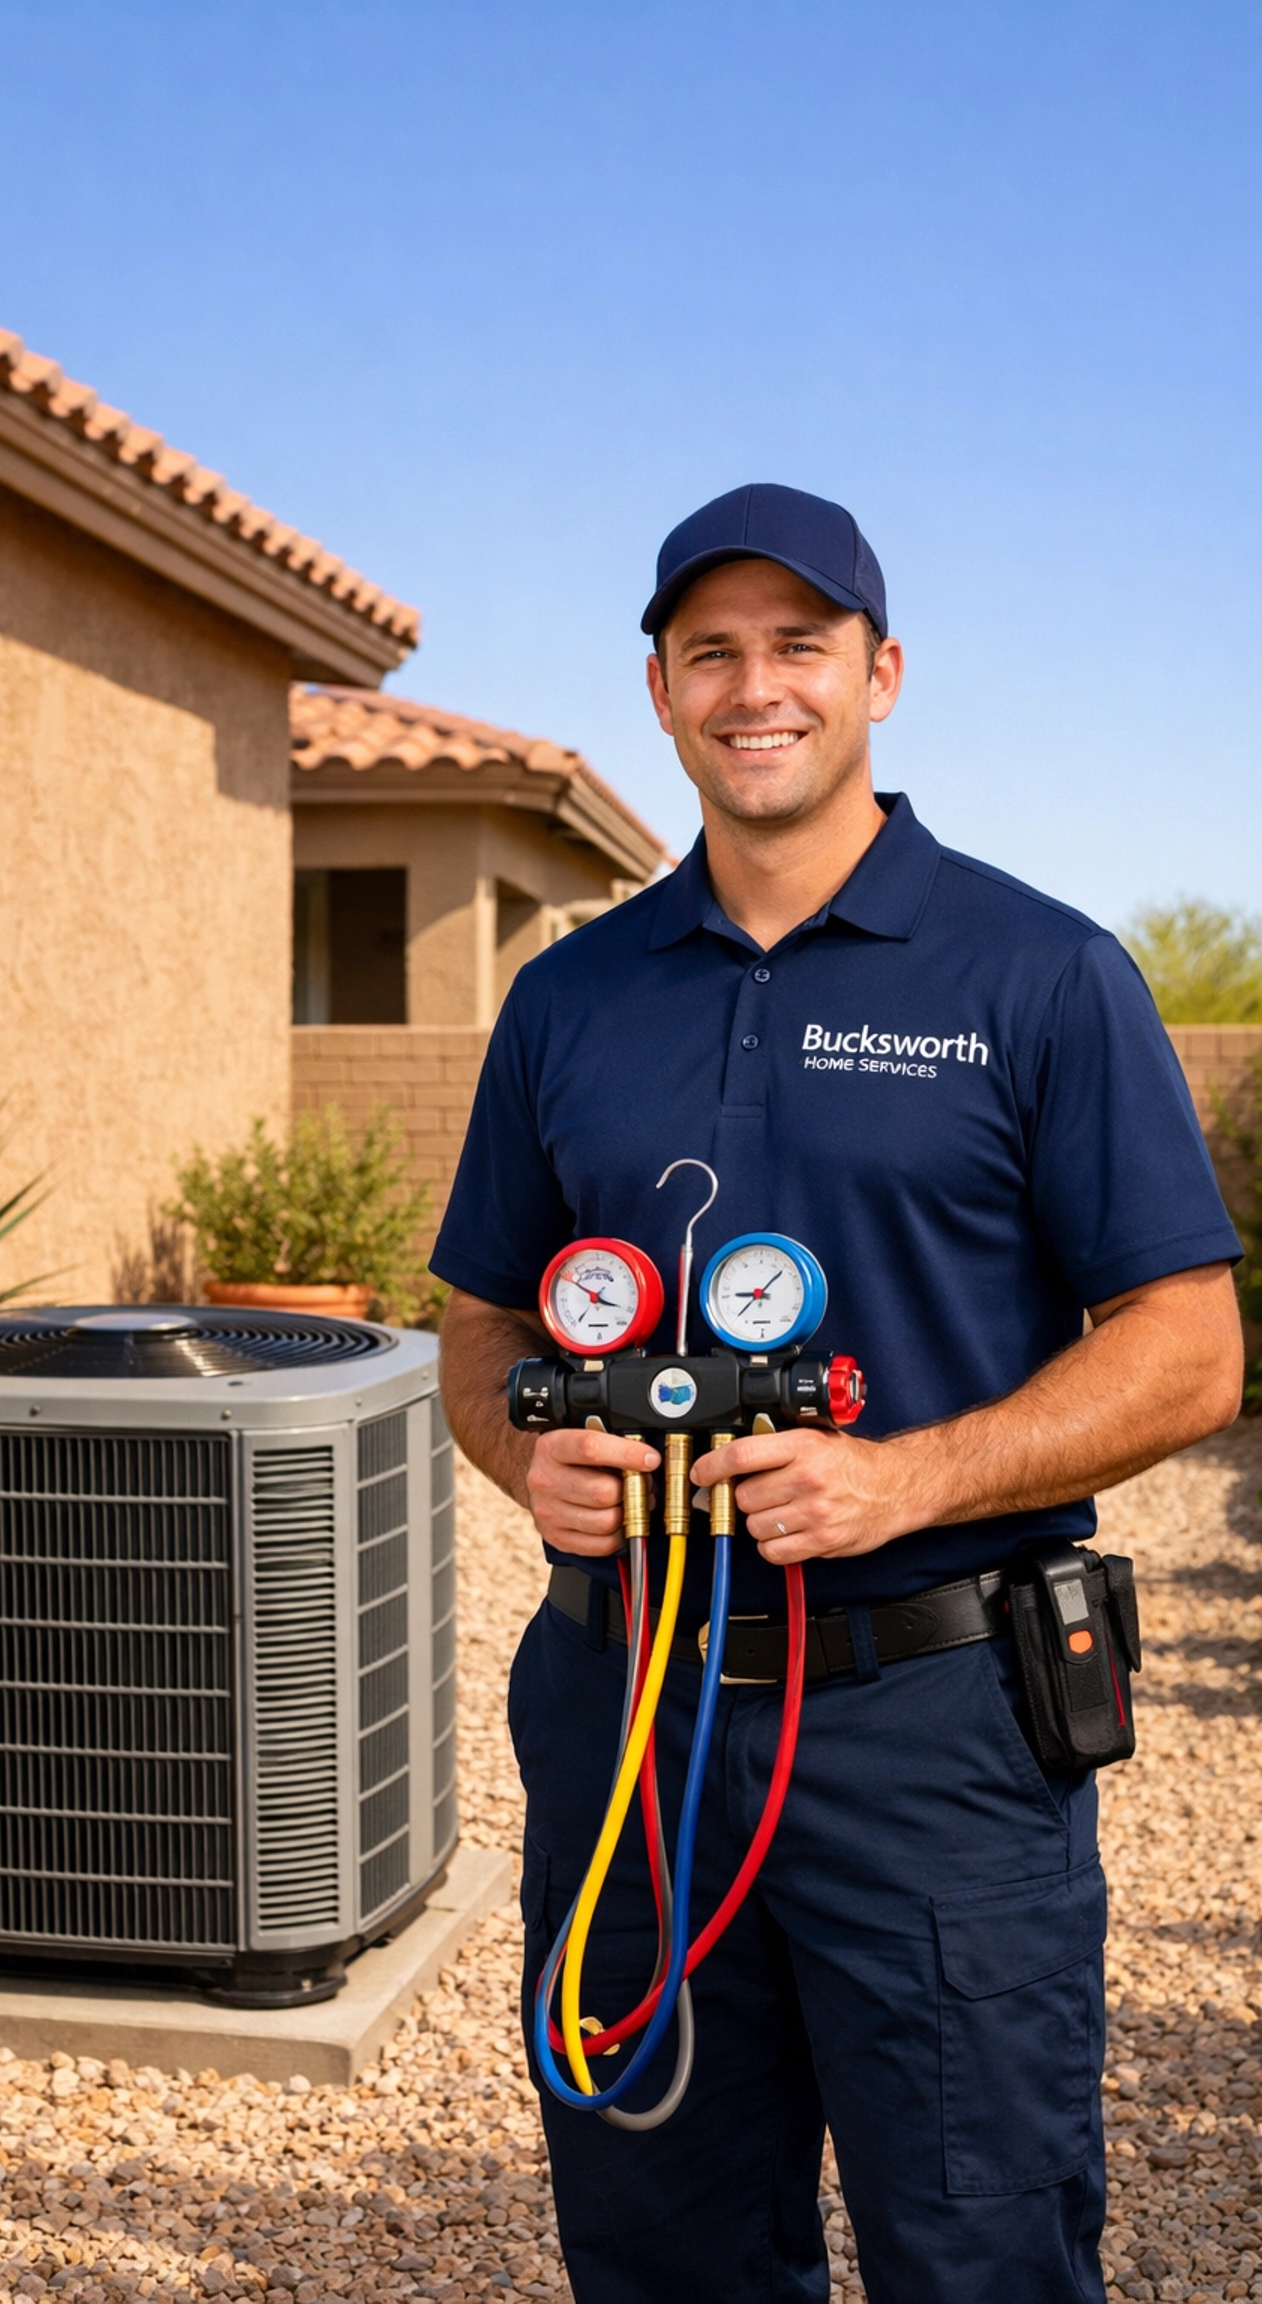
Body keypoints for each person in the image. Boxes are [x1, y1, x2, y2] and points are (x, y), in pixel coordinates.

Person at [429, 482, 1245, 2304]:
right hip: (628, 1715)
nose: (754, 687)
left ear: (881, 674)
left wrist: (910, 1478)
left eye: (799, 645)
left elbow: (1191, 1347)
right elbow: (478, 1323)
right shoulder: (571, 999)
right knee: (664, 2246)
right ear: (658, 693)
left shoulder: (1040, 973)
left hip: (934, 1726)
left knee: (980, 2246)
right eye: (708, 651)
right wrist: (523, 1453)